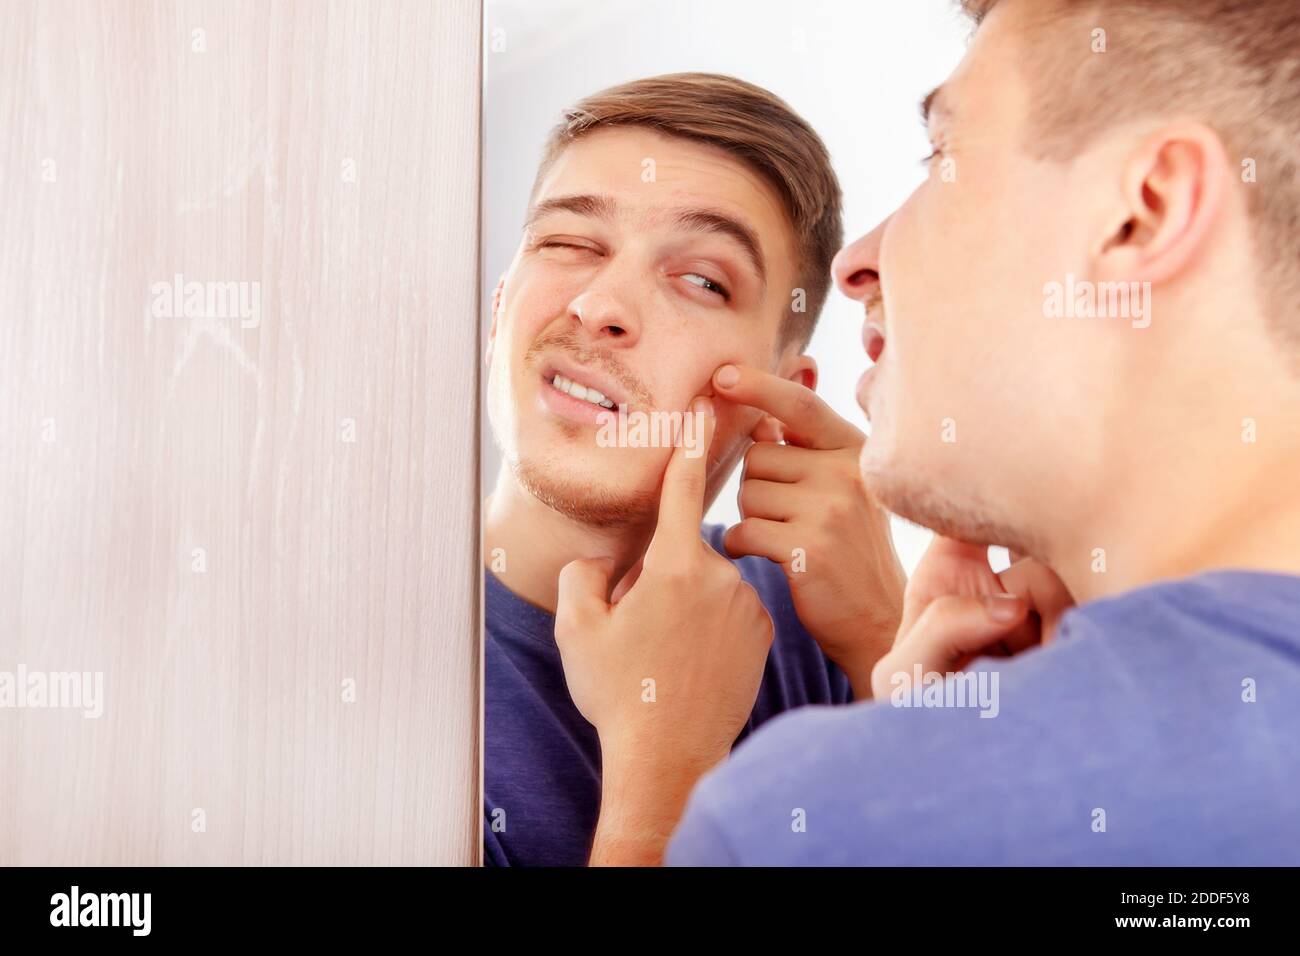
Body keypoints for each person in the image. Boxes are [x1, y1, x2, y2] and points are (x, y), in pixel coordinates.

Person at [563, 0, 1300, 865]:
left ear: (1144, 211)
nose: (857, 263)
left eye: (943, 156)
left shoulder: (821, 818)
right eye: (567, 242)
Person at [483, 73, 906, 866]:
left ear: (779, 399)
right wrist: (665, 762)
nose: (600, 305)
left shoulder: (809, 620)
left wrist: (889, 640)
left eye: (702, 281)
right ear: (500, 310)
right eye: (569, 243)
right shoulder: (352, 662)